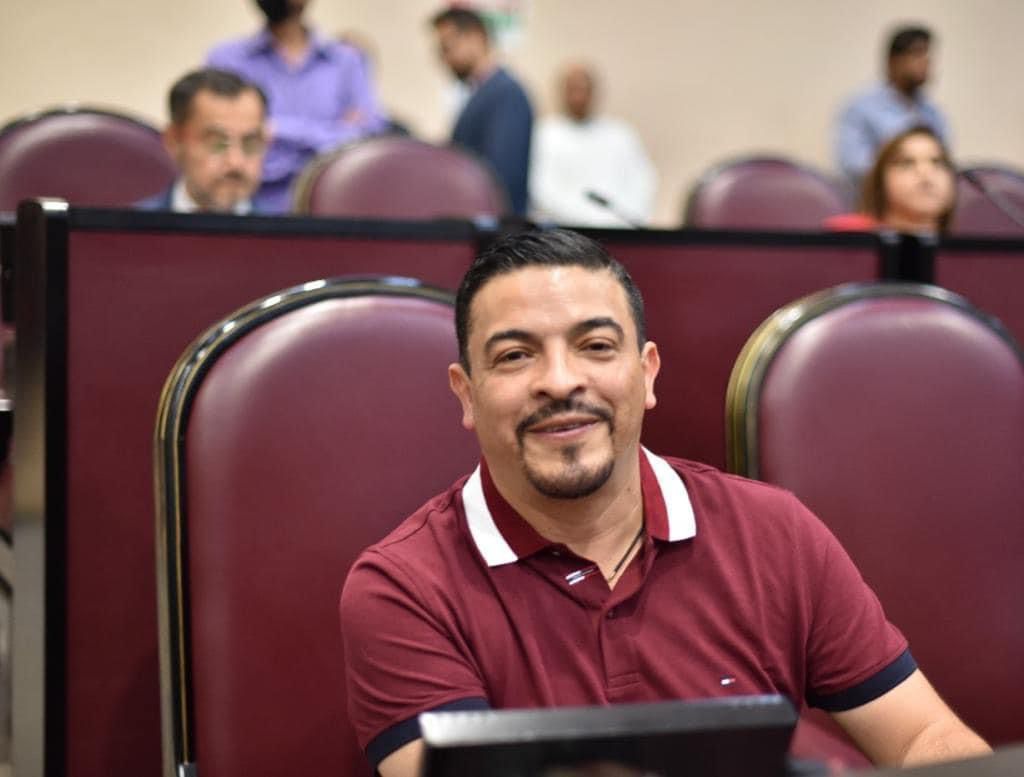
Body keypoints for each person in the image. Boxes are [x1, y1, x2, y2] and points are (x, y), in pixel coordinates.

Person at [339, 228, 991, 777]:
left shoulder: (775, 531)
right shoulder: (402, 589)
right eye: (515, 355)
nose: (560, 381)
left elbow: (923, 737)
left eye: (596, 346)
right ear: (467, 393)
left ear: (647, 373)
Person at [207, 0, 387, 213]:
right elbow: (223, 138)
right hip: (250, 207)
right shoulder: (228, 60)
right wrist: (330, 135)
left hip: (331, 210)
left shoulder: (346, 62)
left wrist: (279, 129)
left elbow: (365, 139)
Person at [431, 7, 533, 216]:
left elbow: (501, 177)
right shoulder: (481, 93)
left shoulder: (506, 93)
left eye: (447, 47)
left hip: (495, 226)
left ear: (475, 37)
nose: (444, 58)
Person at [530, 63, 657, 227]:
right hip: (564, 230)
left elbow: (642, 182)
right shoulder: (545, 134)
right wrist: (584, 220)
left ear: (594, 92)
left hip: (618, 228)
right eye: (573, 89)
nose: (578, 97)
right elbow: (542, 189)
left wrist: (618, 219)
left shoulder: (620, 134)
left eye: (584, 89)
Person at [138, 67, 269, 214]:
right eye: (218, 144)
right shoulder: (131, 227)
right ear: (174, 141)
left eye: (250, 144)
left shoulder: (282, 227)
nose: (235, 162)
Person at [834, 25, 951, 185]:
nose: (925, 62)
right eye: (917, 54)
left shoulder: (932, 114)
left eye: (927, 55)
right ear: (893, 61)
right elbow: (853, 163)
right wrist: (904, 175)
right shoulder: (861, 108)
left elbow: (944, 164)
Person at [826, 125, 956, 234]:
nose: (926, 172)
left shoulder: (965, 251)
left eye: (937, 162)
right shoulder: (845, 239)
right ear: (880, 180)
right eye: (907, 162)